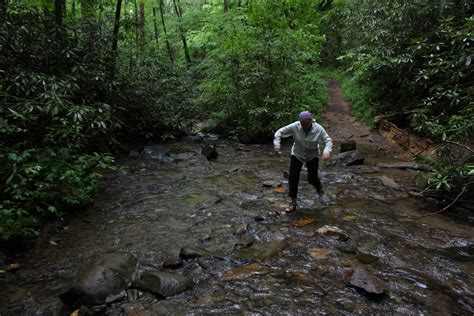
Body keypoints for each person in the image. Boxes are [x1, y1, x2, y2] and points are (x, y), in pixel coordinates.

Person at [273, 111, 333, 213]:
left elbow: (328, 141)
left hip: (312, 155)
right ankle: (293, 202)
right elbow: (279, 132)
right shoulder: (295, 126)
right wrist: (277, 145)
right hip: (297, 154)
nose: (303, 126)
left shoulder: (318, 129)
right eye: (302, 123)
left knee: (312, 178)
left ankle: (319, 187)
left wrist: (326, 151)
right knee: (293, 177)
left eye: (305, 124)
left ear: (311, 122)